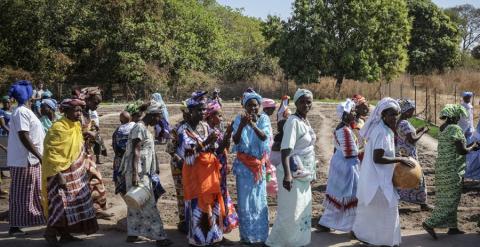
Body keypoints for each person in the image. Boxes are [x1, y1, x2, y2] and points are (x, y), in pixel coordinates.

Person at [352, 97, 415, 247]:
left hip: (379, 178)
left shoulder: (384, 129)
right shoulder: (381, 132)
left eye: (396, 114)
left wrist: (397, 158)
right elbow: (377, 158)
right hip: (378, 181)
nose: (394, 117)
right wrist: (399, 159)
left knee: (379, 213)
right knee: (386, 212)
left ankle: (376, 240)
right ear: (383, 115)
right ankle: (380, 241)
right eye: (391, 114)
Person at [42, 98, 99, 247]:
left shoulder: (76, 125)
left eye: (80, 110)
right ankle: (50, 233)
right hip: (60, 174)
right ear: (65, 111)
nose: (79, 113)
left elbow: (77, 147)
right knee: (60, 204)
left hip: (76, 173)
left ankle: (66, 235)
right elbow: (51, 153)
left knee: (73, 205)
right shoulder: (58, 128)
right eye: (75, 110)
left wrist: (89, 137)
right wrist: (59, 175)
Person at [266, 89, 317, 247]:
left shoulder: (304, 121)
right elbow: (286, 149)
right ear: (296, 103)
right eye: (302, 101)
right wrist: (287, 175)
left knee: (301, 208)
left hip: (303, 174)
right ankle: (277, 242)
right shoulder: (293, 122)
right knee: (289, 211)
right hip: (292, 173)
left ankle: (296, 241)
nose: (306, 104)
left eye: (308, 101)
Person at [117, 101, 172, 246]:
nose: (159, 120)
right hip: (138, 172)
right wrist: (135, 174)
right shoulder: (139, 128)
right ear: (152, 115)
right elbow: (135, 150)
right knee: (148, 203)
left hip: (141, 170)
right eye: (159, 117)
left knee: (135, 203)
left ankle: (133, 233)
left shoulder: (143, 127)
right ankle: (160, 237)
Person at [422, 104, 480, 239]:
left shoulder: (442, 128)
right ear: (454, 116)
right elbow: (462, 150)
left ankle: (452, 228)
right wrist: (473, 147)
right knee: (452, 200)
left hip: (442, 168)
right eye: (458, 116)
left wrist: (472, 147)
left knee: (445, 198)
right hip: (452, 169)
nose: (459, 118)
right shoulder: (455, 128)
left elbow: (455, 147)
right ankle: (430, 223)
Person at [178, 91, 226, 246]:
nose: (203, 112)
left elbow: (216, 149)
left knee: (211, 205)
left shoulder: (205, 127)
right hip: (194, 175)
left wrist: (227, 135)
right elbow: (188, 157)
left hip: (208, 174)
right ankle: (198, 240)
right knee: (197, 206)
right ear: (190, 112)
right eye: (199, 110)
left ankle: (212, 237)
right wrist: (206, 143)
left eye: (204, 109)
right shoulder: (183, 130)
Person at [7, 80, 46, 236]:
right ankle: (15, 226)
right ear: (29, 95)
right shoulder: (21, 112)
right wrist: (39, 155)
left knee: (32, 191)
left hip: (30, 159)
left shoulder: (25, 111)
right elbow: (24, 135)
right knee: (20, 193)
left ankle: (29, 221)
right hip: (24, 160)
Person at [232, 90, 271, 245]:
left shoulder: (264, 119)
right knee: (245, 201)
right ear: (244, 107)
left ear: (259, 106)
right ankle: (247, 236)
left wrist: (253, 125)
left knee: (259, 200)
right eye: (249, 106)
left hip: (257, 167)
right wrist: (242, 125)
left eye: (255, 106)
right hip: (244, 167)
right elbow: (235, 141)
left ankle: (261, 235)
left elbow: (264, 137)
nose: (253, 109)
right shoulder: (238, 119)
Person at [317, 99, 359, 233]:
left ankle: (326, 222)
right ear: (346, 114)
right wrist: (368, 152)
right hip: (346, 166)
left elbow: (338, 150)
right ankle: (350, 227)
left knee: (339, 195)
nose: (355, 113)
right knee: (349, 194)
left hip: (341, 164)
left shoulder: (342, 127)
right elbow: (350, 153)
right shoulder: (345, 130)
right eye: (352, 111)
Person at [205, 101, 239, 233]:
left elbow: (225, 149)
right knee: (216, 198)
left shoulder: (216, 130)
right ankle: (217, 229)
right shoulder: (208, 131)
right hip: (213, 171)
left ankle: (222, 227)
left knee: (222, 196)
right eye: (219, 115)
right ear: (210, 116)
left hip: (221, 169)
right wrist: (228, 133)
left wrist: (227, 135)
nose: (221, 118)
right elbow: (217, 151)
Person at [76, 87, 110, 218]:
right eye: (95, 102)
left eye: (98, 103)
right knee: (93, 180)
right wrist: (87, 133)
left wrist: (94, 133)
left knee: (92, 181)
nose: (97, 105)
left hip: (87, 152)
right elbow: (72, 132)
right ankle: (94, 209)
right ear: (87, 100)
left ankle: (95, 208)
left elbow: (94, 131)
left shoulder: (87, 114)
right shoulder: (78, 114)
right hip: (78, 154)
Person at [395, 99, 432, 211]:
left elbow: (409, 134)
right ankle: (422, 203)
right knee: (418, 178)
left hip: (402, 152)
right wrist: (423, 132)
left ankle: (401, 200)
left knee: (403, 177)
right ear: (406, 111)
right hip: (409, 153)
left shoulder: (400, 121)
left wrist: (418, 129)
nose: (413, 112)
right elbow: (412, 139)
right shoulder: (405, 123)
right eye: (412, 110)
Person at [165, 101, 189, 233]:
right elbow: (170, 148)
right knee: (181, 193)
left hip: (192, 166)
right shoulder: (177, 128)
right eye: (186, 112)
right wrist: (179, 160)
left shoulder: (198, 127)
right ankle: (183, 221)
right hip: (178, 166)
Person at [112, 111, 135, 195]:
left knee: (122, 182)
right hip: (133, 158)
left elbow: (114, 146)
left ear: (120, 121)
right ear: (131, 118)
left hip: (120, 159)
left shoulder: (117, 130)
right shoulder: (135, 127)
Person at [351, 94, 369, 161]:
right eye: (363, 107)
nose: (367, 108)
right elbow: (361, 144)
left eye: (366, 105)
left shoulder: (361, 120)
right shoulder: (356, 125)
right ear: (357, 109)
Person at [0, 96, 12, 187]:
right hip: (3, 135)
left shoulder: (13, 111)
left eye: (8, 102)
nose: (7, 104)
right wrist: (13, 133)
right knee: (3, 154)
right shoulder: (1, 112)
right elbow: (3, 125)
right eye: (5, 103)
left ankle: (4, 173)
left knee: (9, 154)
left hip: (10, 135)